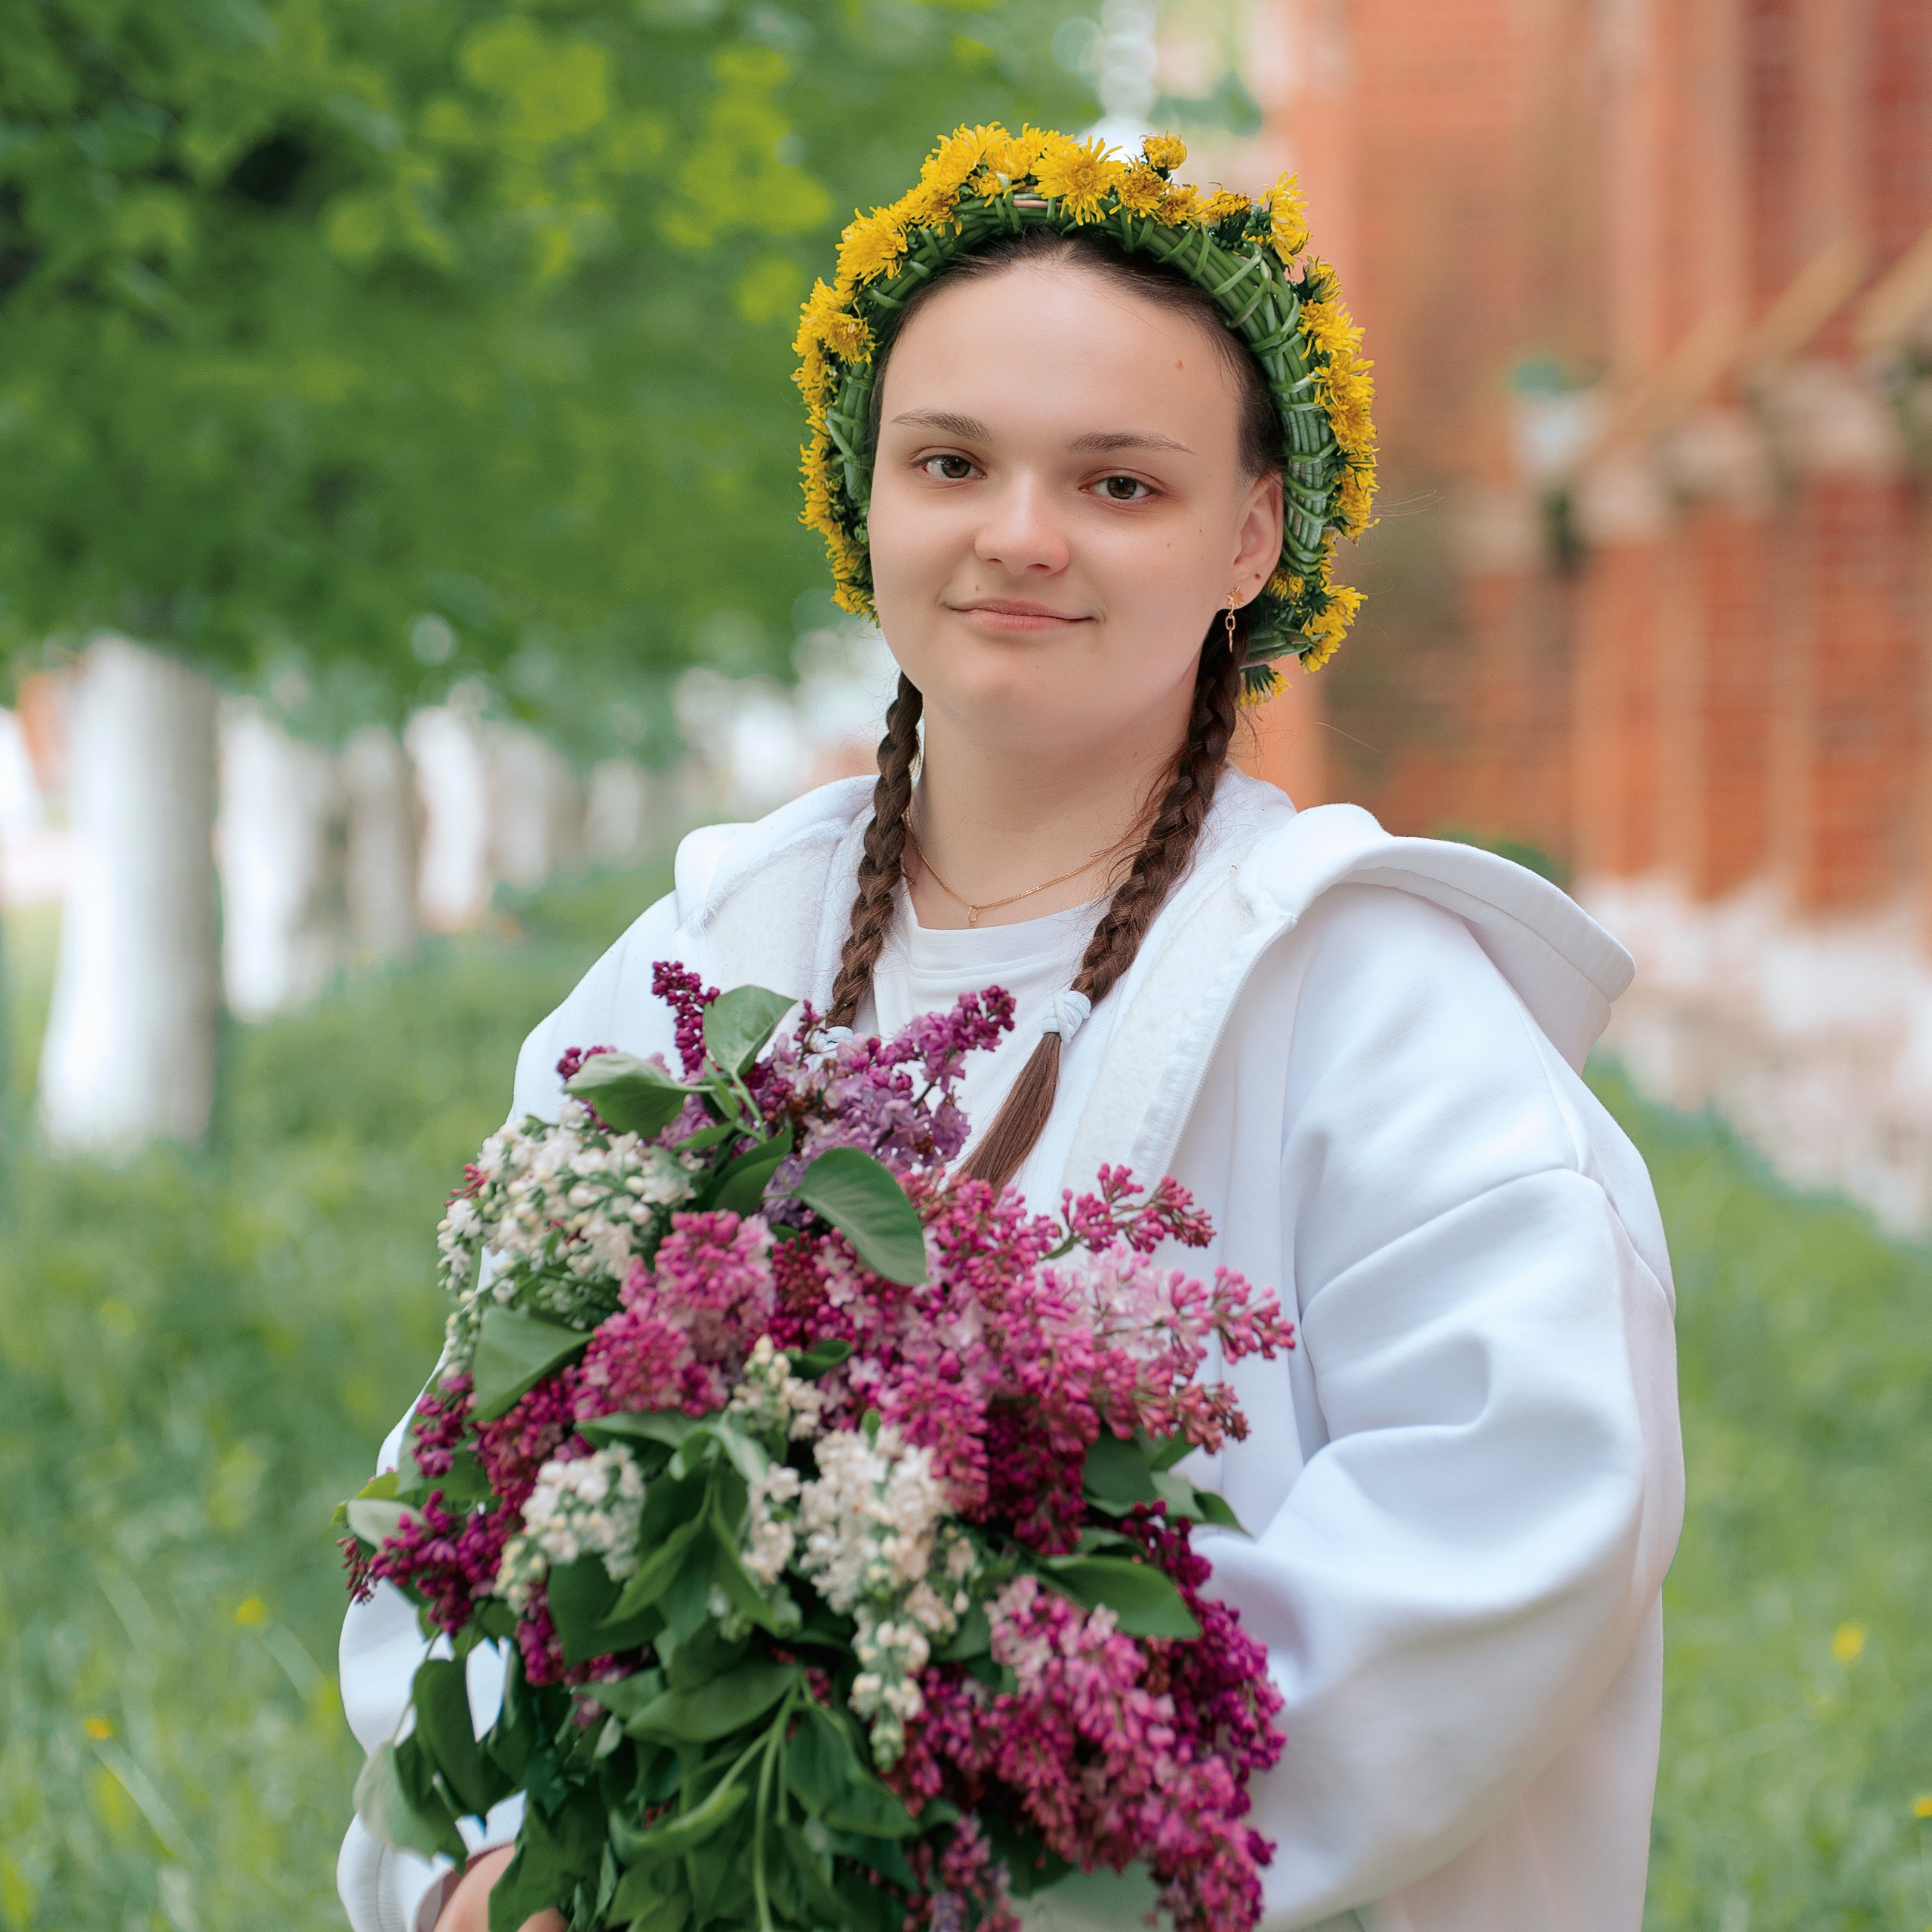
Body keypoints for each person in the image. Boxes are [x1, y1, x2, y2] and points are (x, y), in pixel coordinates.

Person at [339, 125, 1682, 1932]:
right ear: (862, 497)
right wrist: (491, 1870)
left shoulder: (1380, 1008)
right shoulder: (705, 958)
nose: (1019, 535)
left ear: (1247, 535)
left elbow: (1508, 1534)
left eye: (1117, 483)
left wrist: (908, 1868)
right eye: (950, 460)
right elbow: (475, 1480)